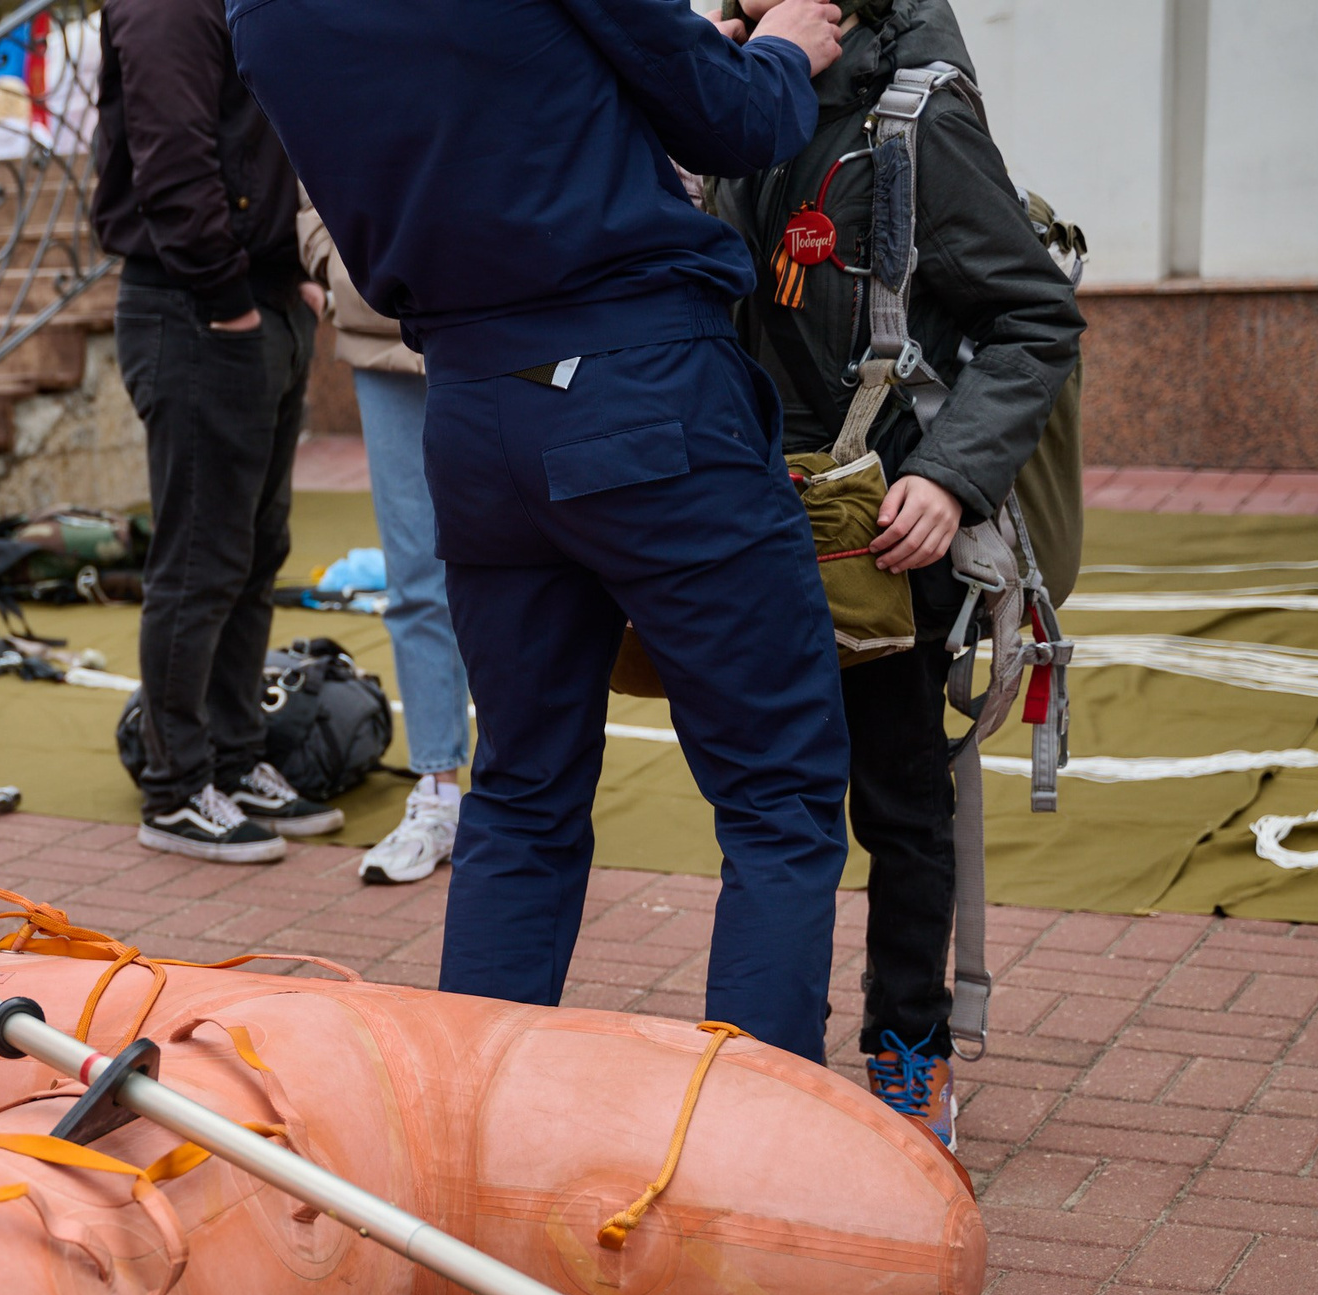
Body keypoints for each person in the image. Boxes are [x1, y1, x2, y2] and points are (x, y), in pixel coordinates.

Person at [232, 0, 857, 1061]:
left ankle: (468, 1116)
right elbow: (736, 120)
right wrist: (783, 51)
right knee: (777, 788)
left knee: (521, 792)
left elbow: (465, 103)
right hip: (638, 381)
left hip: (474, 408)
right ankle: (755, 1126)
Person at [709, 0, 1081, 1136]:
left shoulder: (916, 120)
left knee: (900, 802)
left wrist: (952, 477)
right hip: (749, 512)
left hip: (886, 531)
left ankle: (909, 1047)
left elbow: (1034, 319)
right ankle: (767, 1060)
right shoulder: (727, 100)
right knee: (771, 804)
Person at [94, 0, 339, 864]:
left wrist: (283, 275)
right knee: (200, 561)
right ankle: (176, 787)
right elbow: (173, 155)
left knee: (254, 550)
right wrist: (230, 296)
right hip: (196, 306)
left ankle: (234, 758)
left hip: (251, 297)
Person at [297, 204, 469, 886]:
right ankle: (438, 791)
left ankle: (530, 790)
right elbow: (307, 175)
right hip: (382, 326)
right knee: (415, 573)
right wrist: (338, 265)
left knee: (535, 565)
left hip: (509, 315)